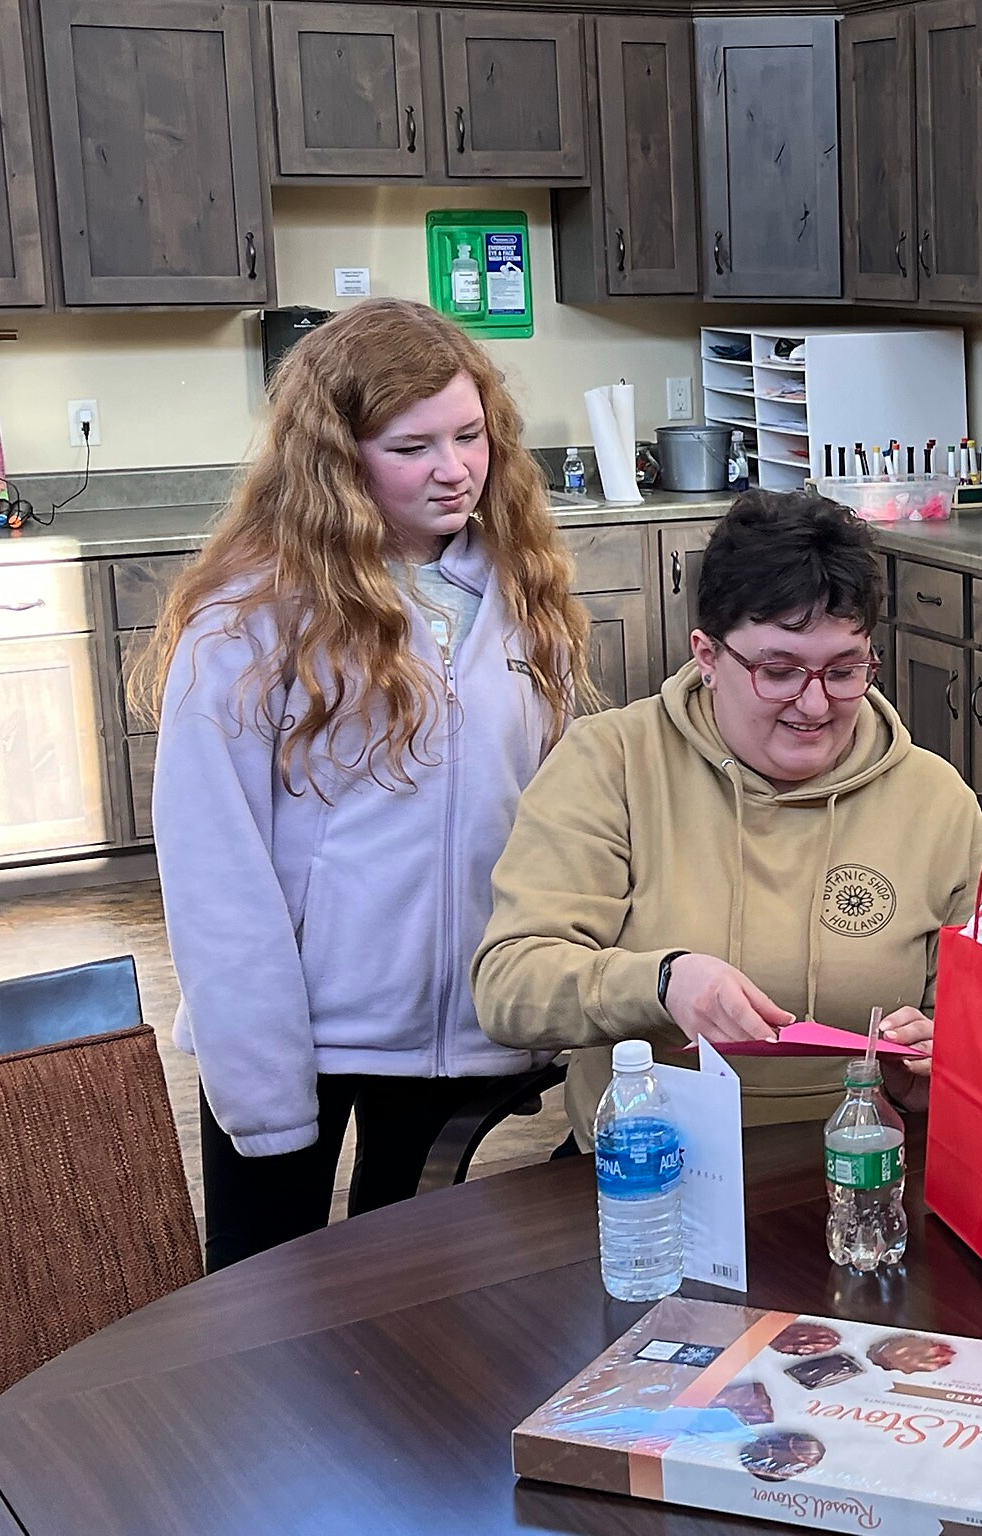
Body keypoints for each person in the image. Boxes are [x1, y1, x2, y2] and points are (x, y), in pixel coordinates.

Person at [140, 298, 595, 1269]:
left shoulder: (522, 593)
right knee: (266, 1300)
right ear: (337, 458)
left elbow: (549, 817)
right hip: (299, 1034)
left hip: (464, 1032)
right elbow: (215, 870)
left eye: (469, 435)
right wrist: (261, 1085)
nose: (453, 468)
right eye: (411, 447)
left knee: (420, 1303)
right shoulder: (248, 619)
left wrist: (540, 998)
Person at [473, 490, 982, 1145]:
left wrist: (930, 1080)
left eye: (844, 671)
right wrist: (661, 983)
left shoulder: (935, 801)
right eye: (779, 671)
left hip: (865, 1167)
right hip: (648, 1172)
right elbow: (509, 985)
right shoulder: (612, 764)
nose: (814, 704)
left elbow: (979, 1037)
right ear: (708, 657)